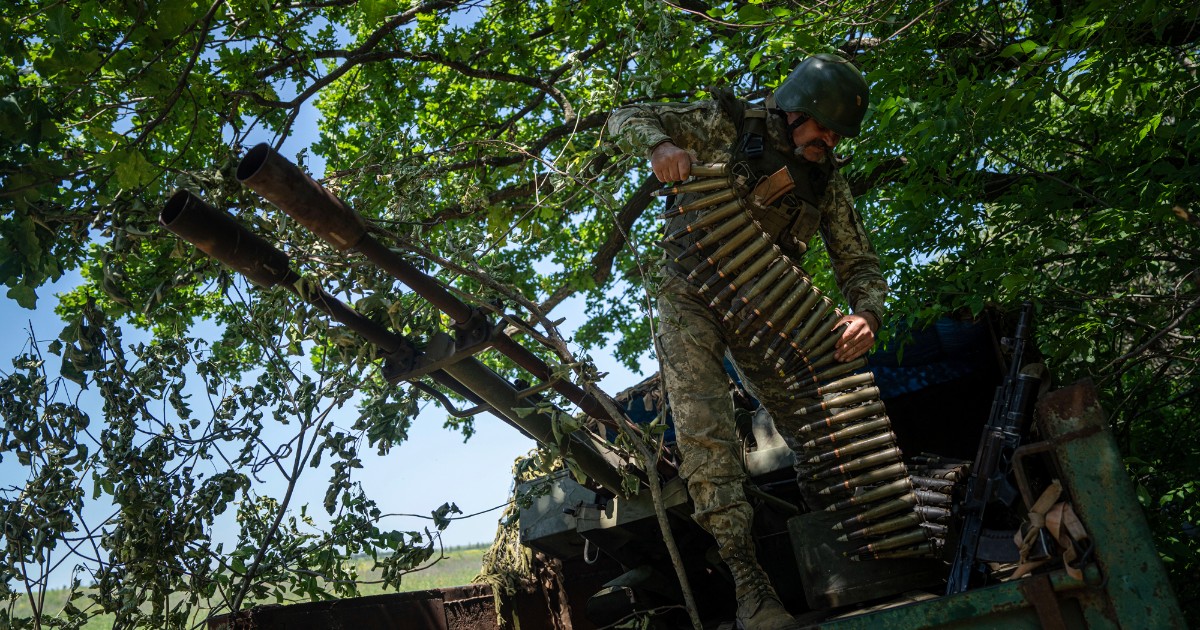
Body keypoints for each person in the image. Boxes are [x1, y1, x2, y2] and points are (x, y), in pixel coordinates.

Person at [607, 53, 888, 629]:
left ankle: (854, 561)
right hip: (690, 292)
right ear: (793, 111)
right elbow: (624, 116)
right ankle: (751, 590)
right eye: (824, 126)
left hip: (766, 310)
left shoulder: (823, 178)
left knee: (820, 430)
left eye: (837, 133)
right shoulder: (727, 125)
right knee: (707, 437)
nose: (830, 140)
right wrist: (660, 148)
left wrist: (867, 315)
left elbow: (858, 261)